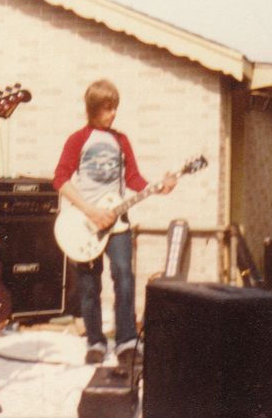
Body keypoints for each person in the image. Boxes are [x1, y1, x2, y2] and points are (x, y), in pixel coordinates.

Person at [53, 79, 176, 365]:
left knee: (124, 275)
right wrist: (90, 211)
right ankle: (95, 341)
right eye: (107, 108)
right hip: (85, 222)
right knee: (88, 285)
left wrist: (158, 186)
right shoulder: (78, 139)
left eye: (115, 107)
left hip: (118, 221)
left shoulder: (121, 141)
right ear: (93, 109)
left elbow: (133, 178)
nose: (113, 113)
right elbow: (60, 179)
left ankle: (126, 341)